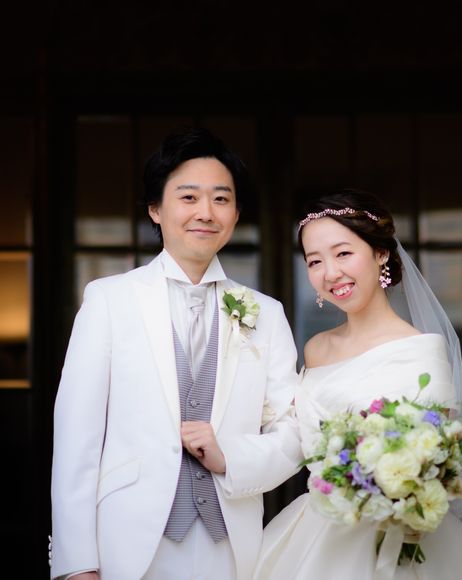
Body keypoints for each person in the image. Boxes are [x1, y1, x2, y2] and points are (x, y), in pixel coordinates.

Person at [50, 127, 302, 580]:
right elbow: (76, 437)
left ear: (236, 213)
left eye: (221, 199)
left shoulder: (266, 313)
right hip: (127, 545)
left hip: (233, 546)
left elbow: (294, 431)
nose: (206, 212)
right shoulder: (109, 300)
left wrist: (231, 457)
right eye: (188, 197)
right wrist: (77, 561)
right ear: (155, 209)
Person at [252, 189, 462, 579]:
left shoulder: (421, 351)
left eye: (343, 253)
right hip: (318, 530)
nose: (330, 273)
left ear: (380, 253)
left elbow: (441, 463)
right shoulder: (316, 349)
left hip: (400, 534)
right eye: (315, 261)